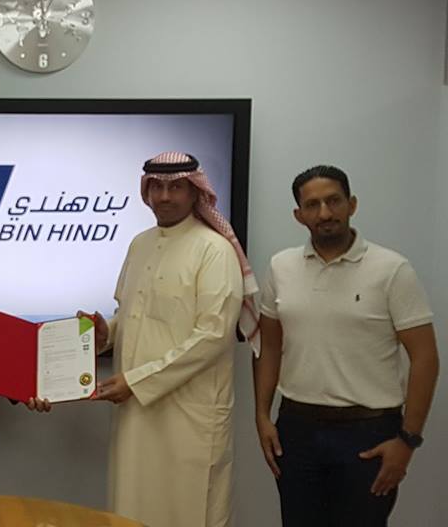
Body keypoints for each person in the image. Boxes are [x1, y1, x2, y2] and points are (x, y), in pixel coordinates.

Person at [253, 165, 439, 527]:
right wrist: (262, 416)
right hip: (297, 430)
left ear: (352, 204)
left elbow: (425, 358)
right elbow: (269, 348)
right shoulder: (280, 267)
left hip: (369, 434)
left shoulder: (392, 269)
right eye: (313, 205)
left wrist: (408, 440)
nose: (325, 213)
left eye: (334, 201)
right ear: (299, 215)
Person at [84, 151, 256, 527]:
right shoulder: (139, 244)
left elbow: (212, 336)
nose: (165, 196)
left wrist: (137, 381)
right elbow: (133, 314)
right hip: (137, 412)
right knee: (133, 508)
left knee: (187, 510)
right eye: (157, 187)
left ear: (195, 192)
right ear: (146, 192)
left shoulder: (214, 250)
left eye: (176, 187)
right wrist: (106, 333)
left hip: (188, 415)